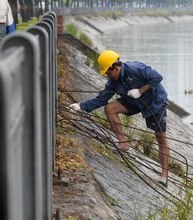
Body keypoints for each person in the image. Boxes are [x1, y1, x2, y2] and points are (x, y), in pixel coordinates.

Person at [69, 50, 170, 185]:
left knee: (161, 138)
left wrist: (140, 91)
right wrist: (81, 106)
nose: (107, 76)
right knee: (110, 108)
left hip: (154, 102)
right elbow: (101, 99)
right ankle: (123, 143)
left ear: (115, 67)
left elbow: (157, 77)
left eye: (109, 73)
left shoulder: (136, 69)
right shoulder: (112, 82)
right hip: (133, 101)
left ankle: (164, 176)